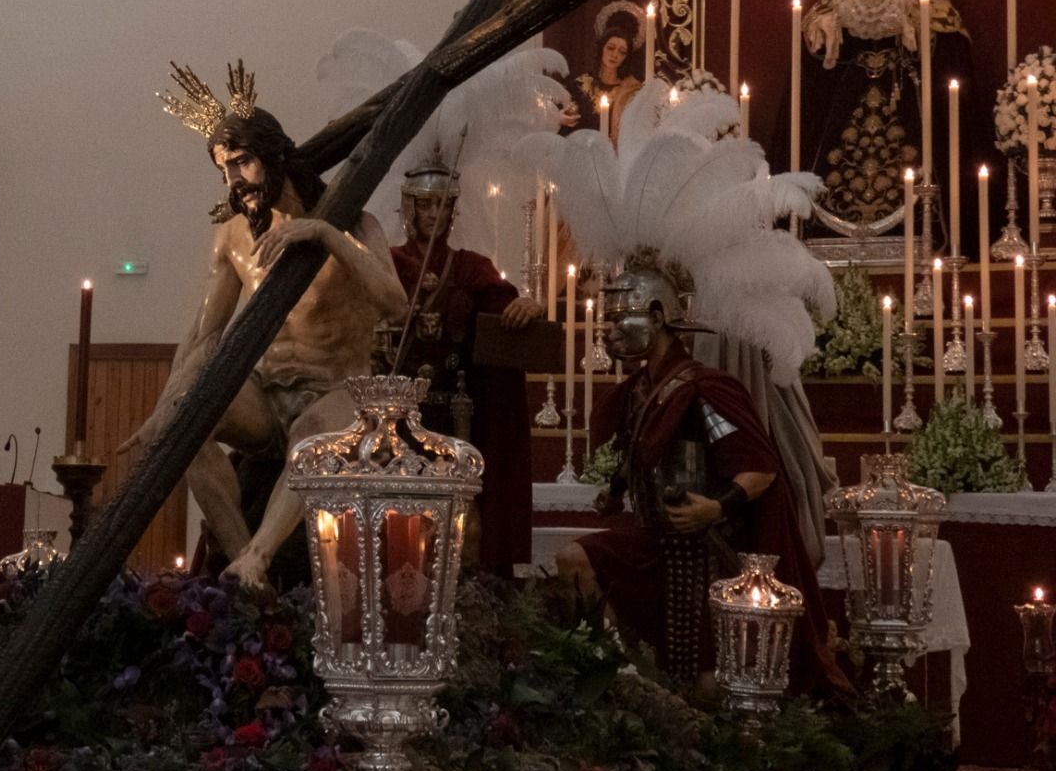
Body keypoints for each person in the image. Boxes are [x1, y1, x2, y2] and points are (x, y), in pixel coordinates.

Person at [123, 61, 406, 588]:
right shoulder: (232, 236)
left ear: (274, 157)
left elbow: (395, 303)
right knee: (186, 425)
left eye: (243, 163)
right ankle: (243, 570)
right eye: (223, 168)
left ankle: (260, 555)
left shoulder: (354, 222)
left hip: (337, 389)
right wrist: (163, 409)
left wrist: (324, 235)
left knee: (311, 432)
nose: (234, 181)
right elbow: (204, 334)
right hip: (264, 394)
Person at [554, 265, 848, 698]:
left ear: (656, 318)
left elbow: (760, 467)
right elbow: (644, 451)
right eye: (608, 321)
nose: (610, 332)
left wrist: (716, 506)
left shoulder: (704, 390)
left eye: (621, 320)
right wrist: (616, 492)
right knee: (573, 559)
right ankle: (613, 680)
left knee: (709, 687)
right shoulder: (641, 390)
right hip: (656, 540)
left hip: (705, 550)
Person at [385, 149, 541, 574]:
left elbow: (502, 308)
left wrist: (528, 306)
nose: (435, 213)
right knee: (398, 530)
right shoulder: (386, 264)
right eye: (426, 204)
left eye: (443, 204)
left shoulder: (472, 267)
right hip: (395, 420)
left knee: (464, 531)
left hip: (458, 418)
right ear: (410, 207)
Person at [801, 0, 968, 231]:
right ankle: (835, 227)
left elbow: (940, 32)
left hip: (897, 87)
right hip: (853, 90)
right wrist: (823, 26)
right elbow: (818, 34)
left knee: (909, 153)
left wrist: (913, 31)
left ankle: (916, 226)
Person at [567, 1, 643, 144]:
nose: (615, 55)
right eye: (610, 48)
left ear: (626, 58)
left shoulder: (631, 91)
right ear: (602, 48)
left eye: (622, 52)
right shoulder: (581, 84)